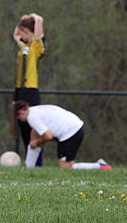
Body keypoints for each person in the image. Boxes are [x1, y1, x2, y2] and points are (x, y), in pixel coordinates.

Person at [11, 101, 111, 169]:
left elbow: (48, 136)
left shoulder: (31, 117)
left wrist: (35, 142)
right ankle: (29, 166)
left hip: (71, 132)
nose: (20, 120)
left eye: (19, 118)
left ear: (21, 114)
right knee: (35, 132)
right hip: (74, 126)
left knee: (66, 168)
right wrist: (37, 141)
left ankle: (99, 166)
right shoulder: (35, 110)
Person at [13, 13, 45, 164]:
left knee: (32, 127)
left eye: (22, 31)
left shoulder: (36, 47)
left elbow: (39, 24)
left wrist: (37, 19)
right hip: (19, 90)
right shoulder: (23, 46)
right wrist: (21, 21)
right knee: (22, 127)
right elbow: (15, 34)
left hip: (30, 90)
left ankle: (38, 161)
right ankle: (29, 161)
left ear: (26, 31)